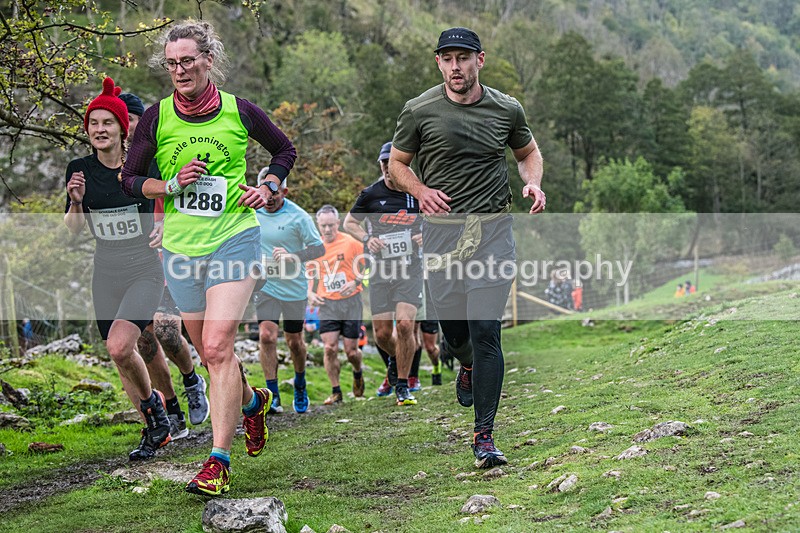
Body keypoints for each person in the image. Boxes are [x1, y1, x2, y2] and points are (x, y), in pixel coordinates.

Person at [121, 19, 297, 496]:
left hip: (234, 237)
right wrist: (172, 185)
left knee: (218, 347)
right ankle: (252, 402)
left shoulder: (241, 111)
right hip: (181, 247)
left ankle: (217, 460)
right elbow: (131, 179)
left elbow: (284, 149)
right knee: (210, 354)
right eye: (172, 63)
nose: (179, 70)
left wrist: (269, 186)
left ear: (208, 61)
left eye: (188, 61)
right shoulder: (156, 117)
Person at [389, 27, 545, 468]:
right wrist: (420, 191)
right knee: (454, 334)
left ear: (481, 59)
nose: (456, 66)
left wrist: (532, 183)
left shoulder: (505, 108)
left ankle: (484, 436)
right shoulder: (418, 111)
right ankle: (468, 366)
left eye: (464, 57)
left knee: (485, 331)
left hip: (493, 232)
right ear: (438, 62)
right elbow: (398, 165)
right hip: (441, 236)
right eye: (447, 58)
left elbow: (528, 152)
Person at [64, 77, 172, 461]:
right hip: (105, 274)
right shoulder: (79, 170)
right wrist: (76, 202)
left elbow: (171, 204)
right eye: (93, 123)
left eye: (107, 123)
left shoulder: (143, 165)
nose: (99, 130)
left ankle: (159, 415)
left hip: (144, 271)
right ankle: (154, 428)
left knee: (119, 344)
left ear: (123, 129)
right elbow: (75, 230)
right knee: (121, 356)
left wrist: (165, 224)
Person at [120, 91, 210, 439]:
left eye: (128, 121)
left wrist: (166, 225)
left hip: (171, 252)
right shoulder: (108, 164)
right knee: (143, 339)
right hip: (135, 260)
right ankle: (172, 410)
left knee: (167, 330)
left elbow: (189, 197)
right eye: (117, 122)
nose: (123, 129)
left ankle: (191, 379)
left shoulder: (160, 156)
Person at [343, 141, 422, 406]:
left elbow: (436, 220)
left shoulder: (416, 192)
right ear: (380, 165)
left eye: (393, 162)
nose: (388, 168)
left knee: (405, 325)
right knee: (382, 334)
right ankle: (397, 361)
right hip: (379, 270)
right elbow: (349, 222)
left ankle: (402, 384)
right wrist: (367, 238)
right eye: (384, 163)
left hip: (409, 269)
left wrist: (425, 235)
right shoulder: (370, 194)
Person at [253, 166, 324, 415]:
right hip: (266, 285)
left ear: (285, 191)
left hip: (294, 287)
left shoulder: (299, 216)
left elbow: (318, 249)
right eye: (265, 197)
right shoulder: (250, 210)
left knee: (295, 342)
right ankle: (272, 395)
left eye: (275, 197)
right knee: (267, 335)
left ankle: (300, 383)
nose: (269, 203)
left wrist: (292, 256)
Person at [307, 205, 366, 405]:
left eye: (331, 225)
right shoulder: (315, 248)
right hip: (328, 303)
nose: (327, 230)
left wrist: (356, 282)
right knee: (330, 348)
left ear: (338, 223)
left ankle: (358, 371)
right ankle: (336, 391)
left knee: (351, 351)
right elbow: (309, 276)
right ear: (318, 225)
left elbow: (368, 267)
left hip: (351, 302)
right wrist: (310, 294)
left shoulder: (351, 243)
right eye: (323, 226)